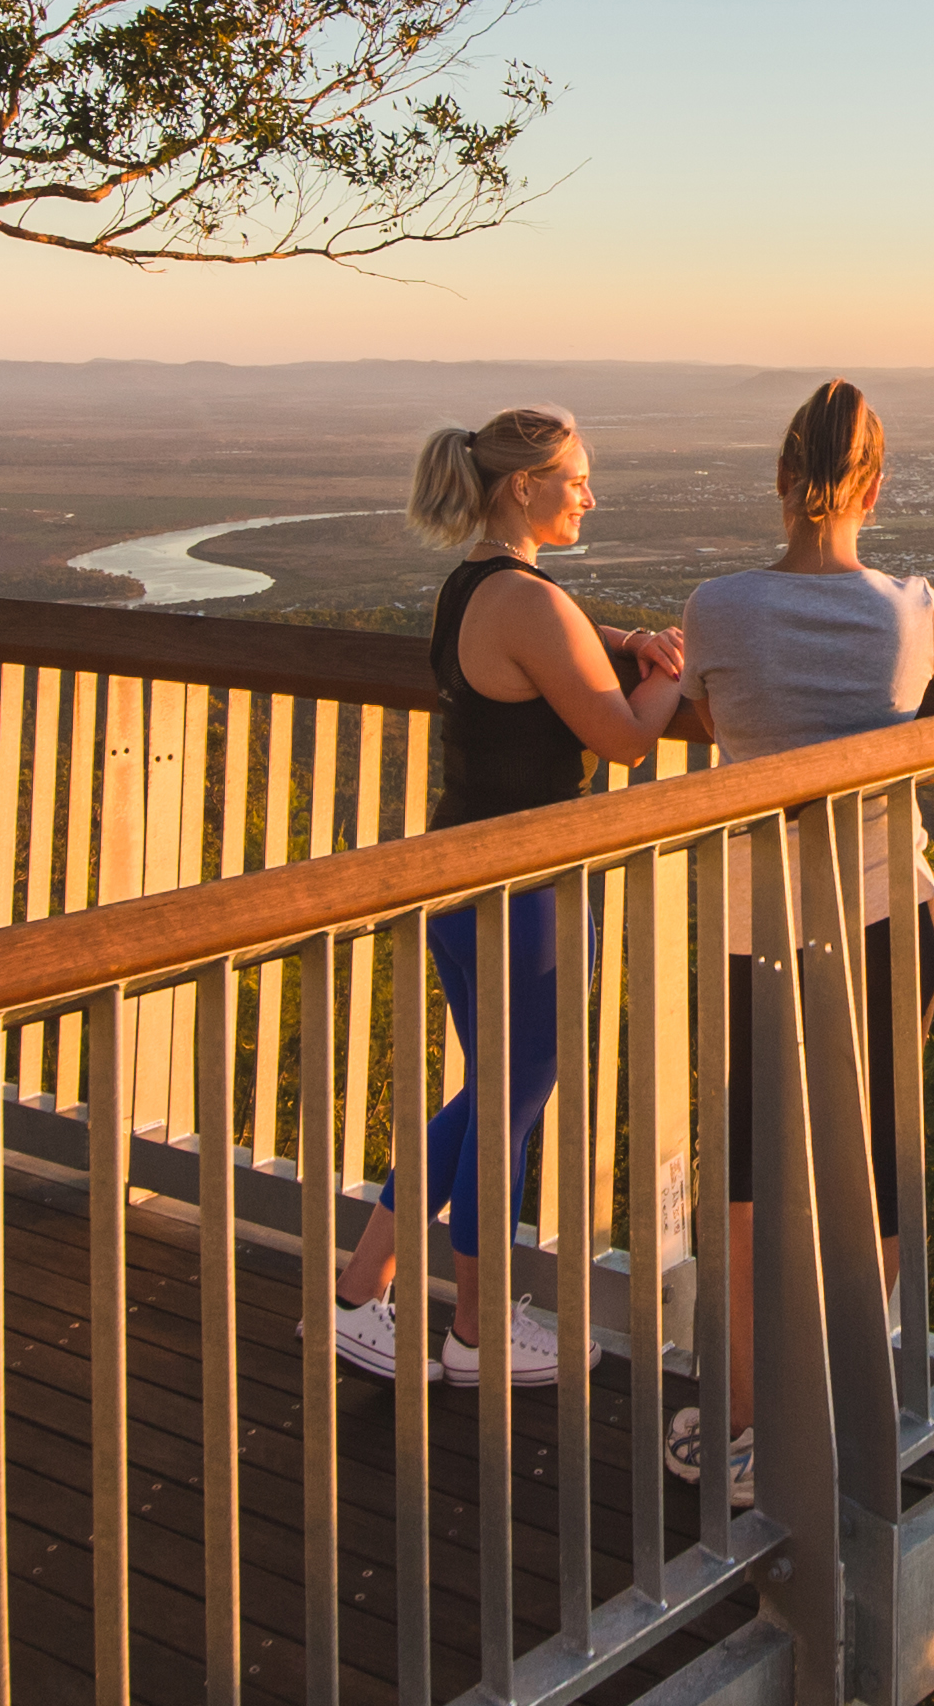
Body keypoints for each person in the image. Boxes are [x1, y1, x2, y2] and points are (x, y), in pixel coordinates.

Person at [665, 379, 934, 1504]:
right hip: (891, 915)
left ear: (779, 477)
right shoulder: (911, 606)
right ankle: (850, 1412)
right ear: (876, 484)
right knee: (878, 1166)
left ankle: (745, 1425)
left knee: (752, 1174)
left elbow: (705, 713)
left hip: (756, 925)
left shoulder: (717, 604)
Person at [335, 405, 687, 1389]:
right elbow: (621, 737)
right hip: (519, 881)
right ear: (523, 484)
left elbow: (553, 649)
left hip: (461, 869)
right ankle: (473, 1331)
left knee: (500, 1090)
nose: (589, 492)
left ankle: (366, 1289)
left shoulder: (474, 584)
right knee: (514, 1095)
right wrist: (678, 671)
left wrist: (619, 637)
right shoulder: (528, 600)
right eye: (575, 476)